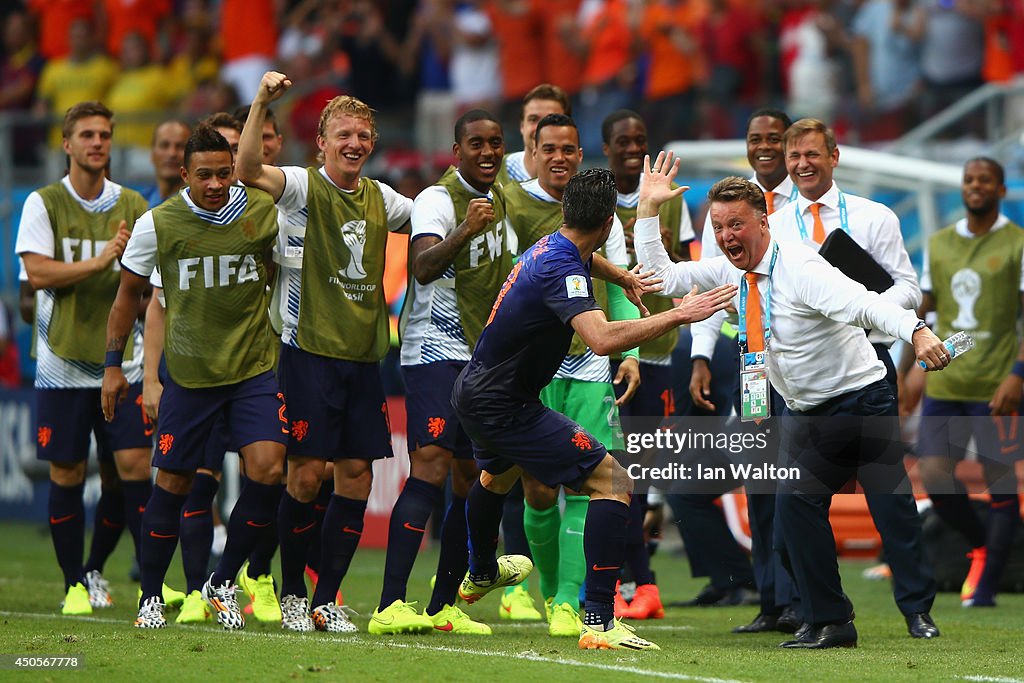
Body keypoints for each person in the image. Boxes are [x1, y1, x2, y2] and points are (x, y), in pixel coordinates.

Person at [635, 164, 949, 649]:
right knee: (793, 515)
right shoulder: (729, 270)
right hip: (805, 411)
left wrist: (918, 330)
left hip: (862, 399)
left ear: (764, 221)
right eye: (718, 228)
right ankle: (828, 619)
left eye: (735, 224)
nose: (725, 236)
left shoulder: (802, 268)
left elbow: (867, 303)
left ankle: (915, 611)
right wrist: (649, 210)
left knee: (890, 506)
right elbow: (664, 277)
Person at [453, 163, 737, 651]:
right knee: (614, 482)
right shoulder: (562, 266)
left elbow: (586, 260)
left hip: (477, 392)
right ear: (609, 224)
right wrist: (680, 313)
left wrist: (623, 275)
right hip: (506, 404)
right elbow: (602, 340)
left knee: (495, 479)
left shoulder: (553, 245)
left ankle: (479, 571)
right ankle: (600, 620)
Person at [235, 71, 413, 633]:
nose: (354, 144)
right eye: (344, 135)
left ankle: (326, 599)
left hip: (364, 360)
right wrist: (263, 99)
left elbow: (434, 219)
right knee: (307, 477)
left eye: (363, 135)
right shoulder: (300, 186)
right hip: (308, 353)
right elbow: (245, 170)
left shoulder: (384, 199)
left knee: (356, 475)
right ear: (322, 142)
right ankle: (291, 593)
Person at [102, 124, 287, 630]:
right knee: (175, 484)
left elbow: (279, 267)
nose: (215, 184)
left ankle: (222, 581)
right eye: (203, 175)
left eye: (223, 174)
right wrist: (116, 368)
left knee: (270, 470)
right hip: (190, 374)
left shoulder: (261, 211)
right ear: (184, 175)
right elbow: (129, 299)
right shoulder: (157, 224)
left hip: (253, 367)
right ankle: (150, 597)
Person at [370, 109, 511, 636]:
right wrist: (467, 229)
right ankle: (389, 603)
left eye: (495, 143)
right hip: (433, 349)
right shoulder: (437, 200)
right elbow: (425, 266)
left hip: (479, 357)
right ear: (457, 152)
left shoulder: (503, 200)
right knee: (428, 464)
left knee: (467, 477)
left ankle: (443, 606)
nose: (488, 152)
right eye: (476, 143)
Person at [503, 112, 642, 637]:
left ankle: (568, 599)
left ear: (580, 155)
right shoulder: (511, 205)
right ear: (533, 153)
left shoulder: (602, 215)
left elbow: (624, 287)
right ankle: (543, 586)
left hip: (586, 365)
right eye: (550, 148)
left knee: (592, 483)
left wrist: (628, 354)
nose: (560, 156)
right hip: (533, 368)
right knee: (537, 489)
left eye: (569, 148)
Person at [15, 101, 155, 616]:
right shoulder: (44, 203)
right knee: (67, 473)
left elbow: (149, 284)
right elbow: (37, 275)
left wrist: (127, 274)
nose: (98, 143)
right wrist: (101, 261)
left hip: (125, 362)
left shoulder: (135, 204)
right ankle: (75, 582)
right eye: (88, 135)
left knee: (135, 466)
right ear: (67, 144)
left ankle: (152, 586)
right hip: (60, 362)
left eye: (105, 135)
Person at [685, 109, 799, 632]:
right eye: (756, 138)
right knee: (760, 479)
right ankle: (773, 600)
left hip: (798, 359)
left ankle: (806, 597)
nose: (766, 146)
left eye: (776, 138)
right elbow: (713, 283)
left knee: (797, 481)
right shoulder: (728, 206)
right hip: (749, 360)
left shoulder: (810, 206)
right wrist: (702, 355)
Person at [899, 157, 1024, 608]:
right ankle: (982, 542)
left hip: (996, 382)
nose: (975, 186)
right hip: (948, 379)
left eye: (984, 180)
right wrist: (907, 364)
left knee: (1000, 482)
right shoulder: (940, 243)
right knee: (934, 475)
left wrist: (1017, 373)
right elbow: (926, 311)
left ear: (1001, 189)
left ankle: (987, 586)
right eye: (969, 180)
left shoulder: (1017, 242)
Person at [601, 108, 694, 620]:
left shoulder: (672, 200)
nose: (634, 148)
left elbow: (687, 266)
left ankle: (635, 584)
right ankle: (635, 583)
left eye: (641, 138)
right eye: (623, 141)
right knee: (609, 471)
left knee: (629, 474)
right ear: (606, 147)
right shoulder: (591, 195)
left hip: (655, 350)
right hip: (603, 347)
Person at [497, 83, 572, 187]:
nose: (540, 128)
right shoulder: (495, 172)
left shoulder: (576, 187)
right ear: (522, 126)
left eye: (551, 120)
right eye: (533, 119)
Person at [141, 119, 191, 207]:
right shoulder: (137, 204)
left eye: (180, 146)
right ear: (152, 154)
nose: (172, 153)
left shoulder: (201, 207)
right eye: (164, 145)